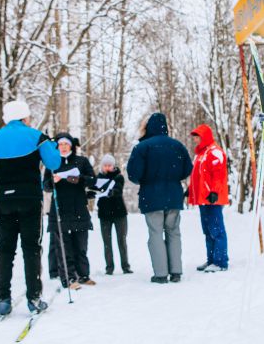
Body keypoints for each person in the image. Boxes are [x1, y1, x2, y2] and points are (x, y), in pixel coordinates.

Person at [0, 100, 61, 315]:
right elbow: (54, 163)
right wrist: (51, 145)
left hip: (4, 200)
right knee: (31, 248)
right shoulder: (35, 136)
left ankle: (3, 298)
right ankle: (34, 298)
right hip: (29, 199)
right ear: (24, 117)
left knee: (5, 248)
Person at [126, 113, 193, 283]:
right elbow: (187, 170)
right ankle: (176, 271)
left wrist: (147, 178)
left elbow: (133, 174)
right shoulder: (177, 146)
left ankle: (161, 274)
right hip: (173, 195)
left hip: (151, 196)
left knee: (155, 233)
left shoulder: (142, 148)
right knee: (173, 232)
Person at [43, 132, 97, 289]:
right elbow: (45, 185)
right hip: (60, 209)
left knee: (81, 245)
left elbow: (93, 181)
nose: (63, 147)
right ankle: (68, 278)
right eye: (60, 144)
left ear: (71, 146)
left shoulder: (81, 161)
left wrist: (75, 179)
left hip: (79, 207)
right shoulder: (52, 163)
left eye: (66, 144)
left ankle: (83, 275)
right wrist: (53, 181)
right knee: (63, 247)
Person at [187, 124, 229, 273]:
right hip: (203, 198)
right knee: (207, 230)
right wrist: (190, 190)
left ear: (205, 136)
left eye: (198, 136)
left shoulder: (215, 152)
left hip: (213, 198)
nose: (196, 139)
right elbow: (198, 176)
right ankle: (211, 260)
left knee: (217, 230)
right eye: (195, 137)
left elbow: (219, 175)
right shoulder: (201, 154)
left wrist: (215, 192)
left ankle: (220, 262)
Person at [93, 154, 132, 275]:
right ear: (102, 166)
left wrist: (111, 192)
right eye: (105, 165)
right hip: (104, 214)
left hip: (119, 212)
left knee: (121, 240)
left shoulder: (118, 177)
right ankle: (109, 267)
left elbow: (118, 189)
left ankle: (125, 266)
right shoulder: (98, 178)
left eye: (109, 165)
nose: (107, 167)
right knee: (107, 242)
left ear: (113, 166)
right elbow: (95, 190)